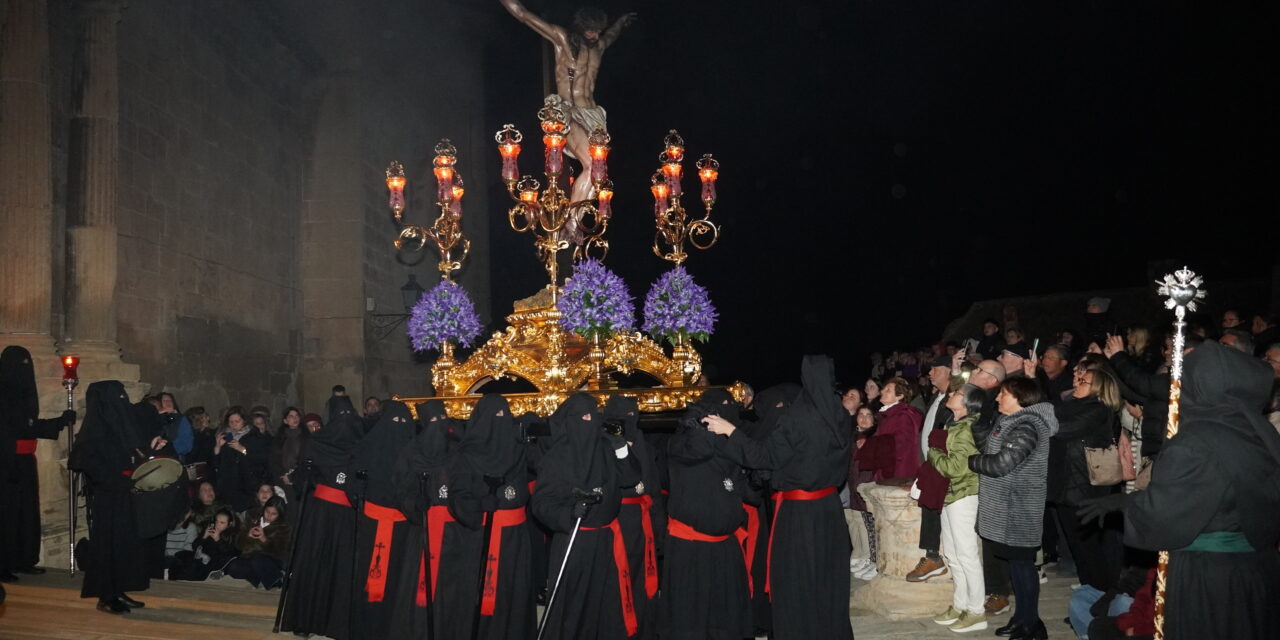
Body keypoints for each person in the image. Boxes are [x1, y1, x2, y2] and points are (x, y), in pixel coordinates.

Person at [1079, 340, 1280, 639]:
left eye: (1184, 379)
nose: (1176, 387)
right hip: (1252, 571)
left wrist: (1127, 504)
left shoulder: (1195, 441)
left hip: (1206, 578)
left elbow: (1165, 518)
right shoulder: (1258, 432)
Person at [705, 355, 853, 640]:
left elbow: (765, 457)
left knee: (796, 580)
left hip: (798, 512)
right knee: (826, 579)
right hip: (830, 510)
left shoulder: (796, 418)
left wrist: (731, 432)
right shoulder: (840, 415)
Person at [498, 0, 638, 203]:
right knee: (591, 164)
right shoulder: (563, 39)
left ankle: (576, 222)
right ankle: (571, 223)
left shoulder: (598, 45)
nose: (595, 36)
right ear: (581, 28)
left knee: (598, 174)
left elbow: (611, 34)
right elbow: (523, 14)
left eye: (598, 31)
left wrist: (621, 22)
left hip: (593, 115)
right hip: (568, 110)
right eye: (591, 31)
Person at [531, 393, 642, 640]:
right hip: (575, 541)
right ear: (570, 421)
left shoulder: (605, 447)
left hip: (608, 541)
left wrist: (622, 449)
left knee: (607, 607)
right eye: (583, 416)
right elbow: (540, 503)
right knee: (573, 610)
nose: (590, 421)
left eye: (594, 415)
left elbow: (631, 479)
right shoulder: (558, 457)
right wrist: (568, 512)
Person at [968, 377, 1058, 640]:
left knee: (1023, 566)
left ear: (1020, 397)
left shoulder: (1028, 425)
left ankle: (1032, 624)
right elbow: (988, 447)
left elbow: (1002, 463)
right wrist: (983, 423)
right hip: (1005, 508)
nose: (997, 398)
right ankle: (1021, 618)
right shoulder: (1009, 421)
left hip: (1019, 508)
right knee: (1016, 567)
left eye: (1003, 394)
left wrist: (971, 462)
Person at [658, 392, 753, 640]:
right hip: (692, 548)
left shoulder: (726, 444)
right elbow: (697, 451)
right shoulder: (683, 443)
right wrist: (699, 426)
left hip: (725, 546)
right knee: (693, 616)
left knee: (725, 616)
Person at [70, 380, 166, 614]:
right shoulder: (95, 429)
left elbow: (136, 444)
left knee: (125, 546)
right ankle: (106, 596)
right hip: (108, 497)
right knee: (109, 548)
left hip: (127, 494)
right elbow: (82, 461)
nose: (122, 402)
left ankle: (119, 589)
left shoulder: (121, 423)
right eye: (117, 397)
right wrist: (114, 479)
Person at [449, 393, 535, 640]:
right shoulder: (468, 455)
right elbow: (457, 496)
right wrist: (478, 505)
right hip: (481, 538)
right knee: (482, 598)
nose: (501, 420)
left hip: (515, 539)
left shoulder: (517, 450)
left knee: (512, 595)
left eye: (504, 414)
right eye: (495, 415)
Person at [279, 395, 363, 639]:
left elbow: (305, 480)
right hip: (335, 512)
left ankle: (318, 622)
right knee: (323, 563)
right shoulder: (353, 442)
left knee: (329, 564)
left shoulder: (318, 442)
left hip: (331, 512)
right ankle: (318, 622)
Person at [390, 399, 467, 639]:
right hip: (424, 530)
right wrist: (414, 503)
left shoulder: (458, 451)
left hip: (456, 532)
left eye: (443, 420)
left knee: (453, 587)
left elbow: (470, 484)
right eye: (433, 421)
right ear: (424, 425)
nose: (439, 426)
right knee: (419, 585)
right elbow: (400, 489)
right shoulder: (411, 453)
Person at [0, 345, 76, 581]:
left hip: (24, 461)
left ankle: (24, 559)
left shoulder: (23, 396)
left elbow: (28, 426)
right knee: (7, 515)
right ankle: (4, 563)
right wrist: (9, 462)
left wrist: (60, 421)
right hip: (5, 463)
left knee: (26, 512)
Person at [350, 401, 418, 640]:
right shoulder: (368, 448)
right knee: (368, 576)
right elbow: (354, 482)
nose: (397, 427)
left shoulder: (414, 453)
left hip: (403, 526)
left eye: (403, 423)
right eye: (393, 422)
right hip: (371, 522)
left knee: (398, 579)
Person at [1051, 366, 1123, 592]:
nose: (1076, 383)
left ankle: (1100, 599)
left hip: (1087, 490)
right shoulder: (1072, 405)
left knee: (1090, 550)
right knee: (1078, 548)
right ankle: (1087, 596)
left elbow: (1063, 428)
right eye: (1078, 379)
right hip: (1068, 486)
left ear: (1098, 388)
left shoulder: (1098, 409)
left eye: (1083, 381)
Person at [926, 384, 986, 633]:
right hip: (951, 495)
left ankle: (977, 611)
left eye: (957, 393)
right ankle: (960, 605)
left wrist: (933, 453)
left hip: (963, 495)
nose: (951, 394)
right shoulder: (954, 423)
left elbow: (954, 468)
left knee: (967, 555)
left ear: (967, 403)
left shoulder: (965, 428)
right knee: (952, 553)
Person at [606, 395, 665, 639]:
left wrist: (659, 529)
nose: (630, 420)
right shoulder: (605, 443)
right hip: (616, 523)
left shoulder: (644, 446)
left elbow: (653, 489)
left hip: (643, 524)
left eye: (633, 415)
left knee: (642, 581)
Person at [225, 496, 291, 588]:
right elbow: (238, 543)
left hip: (269, 560)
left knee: (258, 560)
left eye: (274, 514)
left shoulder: (283, 528)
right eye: (267, 511)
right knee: (233, 567)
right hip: (249, 557)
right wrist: (247, 535)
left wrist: (265, 539)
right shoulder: (252, 516)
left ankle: (276, 581)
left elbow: (280, 552)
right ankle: (261, 580)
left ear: (279, 515)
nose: (269, 516)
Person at [215, 406, 270, 512]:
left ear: (244, 420)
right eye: (231, 422)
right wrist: (217, 447)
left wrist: (243, 450)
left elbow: (262, 458)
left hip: (248, 485)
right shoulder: (227, 436)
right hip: (230, 485)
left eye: (237, 421)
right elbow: (217, 463)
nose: (234, 424)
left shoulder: (254, 435)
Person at [168, 507, 238, 581]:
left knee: (191, 569)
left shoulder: (230, 536)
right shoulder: (209, 530)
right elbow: (194, 546)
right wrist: (204, 537)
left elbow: (228, 555)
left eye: (222, 523)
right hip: (199, 561)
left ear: (229, 524)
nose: (217, 524)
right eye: (216, 521)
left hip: (213, 566)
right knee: (179, 557)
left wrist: (218, 540)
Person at [270, 406, 308, 495]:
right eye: (291, 416)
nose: (295, 418)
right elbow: (274, 459)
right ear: (285, 421)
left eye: (296, 415)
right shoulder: (279, 439)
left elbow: (307, 459)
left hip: (300, 478)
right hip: (283, 479)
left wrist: (293, 476)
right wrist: (283, 475)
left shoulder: (306, 438)